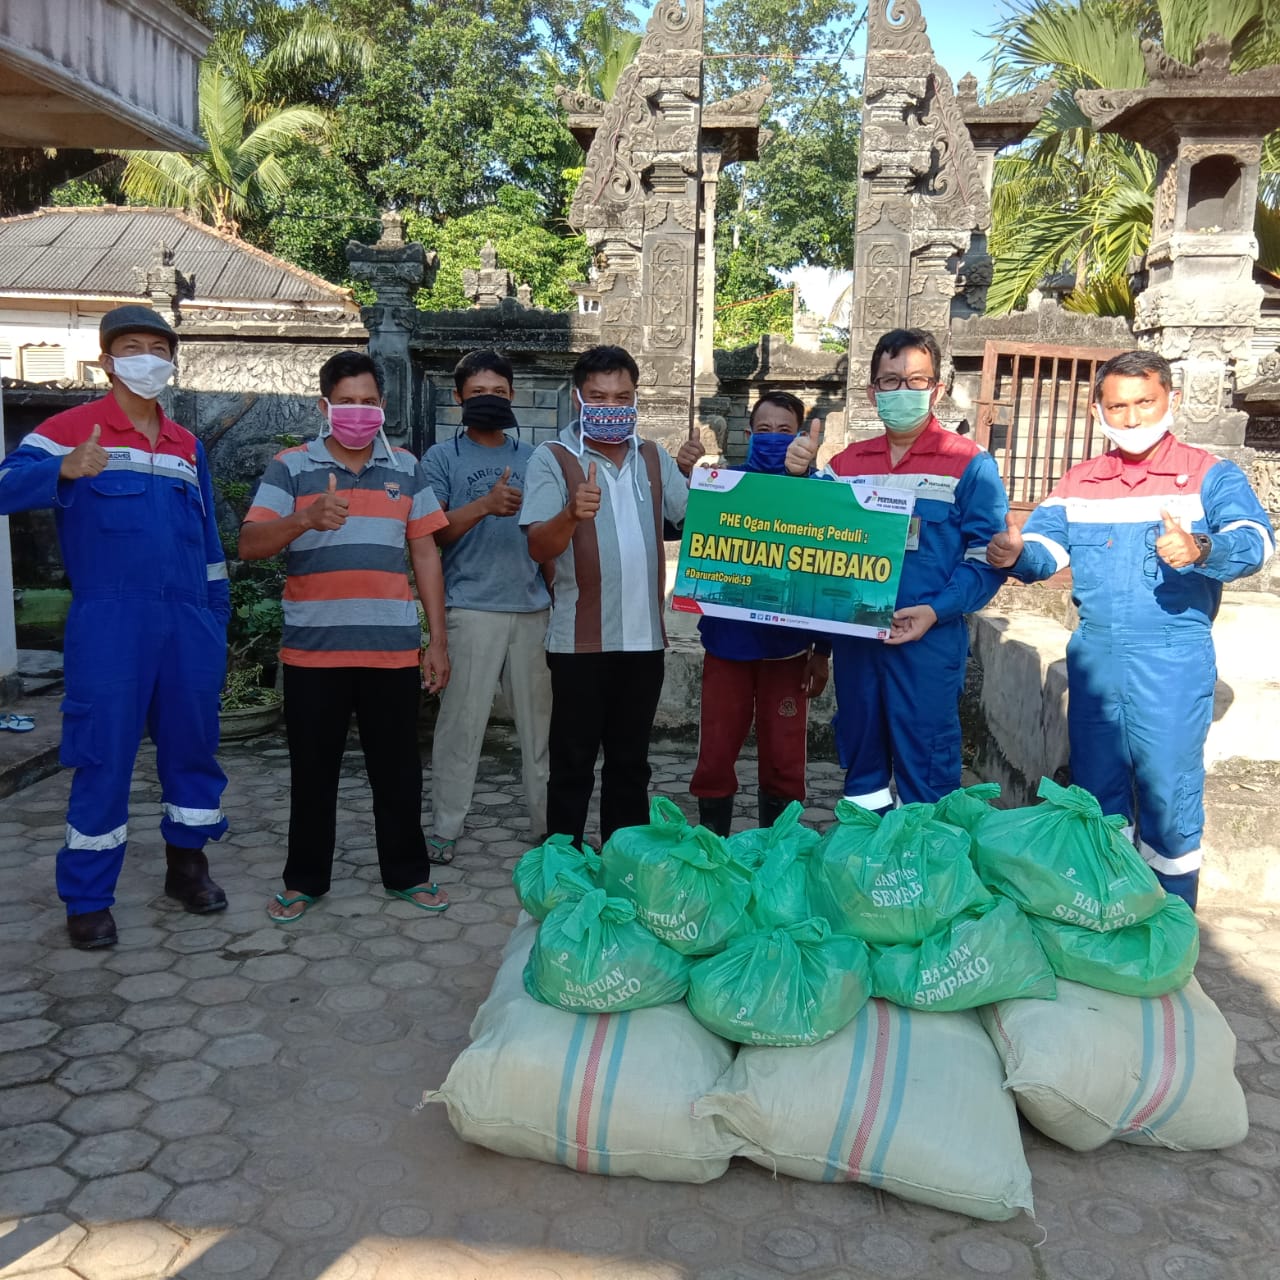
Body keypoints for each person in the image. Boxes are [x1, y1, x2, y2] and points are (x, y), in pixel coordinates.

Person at [986, 350, 1274, 910]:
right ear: (1099, 411)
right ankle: (1108, 910)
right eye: (1118, 407)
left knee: (1168, 794)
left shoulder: (1209, 475)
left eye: (1145, 402)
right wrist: (1014, 552)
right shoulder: (1080, 482)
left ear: (1173, 400)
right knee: (1096, 794)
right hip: (1095, 658)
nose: (1133, 418)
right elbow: (1046, 547)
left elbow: (1258, 539)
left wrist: (1202, 547)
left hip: (1172, 655)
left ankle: (1168, 921)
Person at [0, 305, 230, 949]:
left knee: (192, 750)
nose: (148, 358)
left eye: (160, 348)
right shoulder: (71, 430)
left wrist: (215, 620)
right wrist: (62, 470)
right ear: (107, 359)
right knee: (102, 755)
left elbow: (210, 541)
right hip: (110, 620)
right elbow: (4, 485)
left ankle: (188, 868)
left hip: (188, 622)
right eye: (133, 347)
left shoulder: (188, 445)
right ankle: (88, 898)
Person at [239, 350, 451, 921]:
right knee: (313, 772)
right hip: (314, 652)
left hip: (391, 649)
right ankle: (305, 879)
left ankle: (407, 874)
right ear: (324, 406)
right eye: (347, 403)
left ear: (383, 407)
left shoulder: (407, 468)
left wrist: (438, 640)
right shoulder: (290, 467)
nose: (359, 412)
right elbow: (251, 543)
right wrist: (304, 519)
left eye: (369, 403)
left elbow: (425, 552)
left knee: (399, 771)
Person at [785, 327, 1008, 810]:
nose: (903, 392)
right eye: (890, 382)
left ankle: (928, 877)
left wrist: (937, 609)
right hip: (857, 647)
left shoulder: (970, 465)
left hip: (927, 643)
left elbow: (985, 560)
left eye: (916, 381)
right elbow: (817, 553)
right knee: (863, 773)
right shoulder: (845, 466)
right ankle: (867, 871)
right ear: (872, 392)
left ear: (938, 389)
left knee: (928, 774)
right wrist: (799, 474)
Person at [519, 345, 704, 849]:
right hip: (579, 643)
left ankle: (625, 861)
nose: (611, 405)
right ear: (578, 399)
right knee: (573, 761)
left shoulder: (654, 456)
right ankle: (565, 863)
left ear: (636, 397)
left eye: (622, 395)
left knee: (631, 763)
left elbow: (695, 522)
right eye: (598, 396)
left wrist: (698, 476)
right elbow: (539, 544)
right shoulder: (553, 458)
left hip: (644, 641)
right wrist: (571, 515)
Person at [422, 350, 552, 860]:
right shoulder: (440, 459)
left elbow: (547, 538)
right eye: (478, 394)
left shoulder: (535, 458)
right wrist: (484, 505)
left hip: (532, 609)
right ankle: (445, 828)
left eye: (499, 392)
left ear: (513, 396)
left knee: (540, 730)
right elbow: (433, 534)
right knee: (461, 728)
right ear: (458, 398)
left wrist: (557, 598)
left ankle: (549, 829)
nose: (490, 401)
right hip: (470, 609)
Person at [690, 391, 831, 835]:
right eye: (764, 431)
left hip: (787, 653)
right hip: (727, 647)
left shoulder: (822, 494)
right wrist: (687, 476)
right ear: (749, 436)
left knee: (785, 759)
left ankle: (779, 852)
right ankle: (712, 849)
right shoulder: (723, 487)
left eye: (785, 431)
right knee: (715, 752)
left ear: (804, 436)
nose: (774, 439)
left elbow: (832, 581)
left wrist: (821, 652)